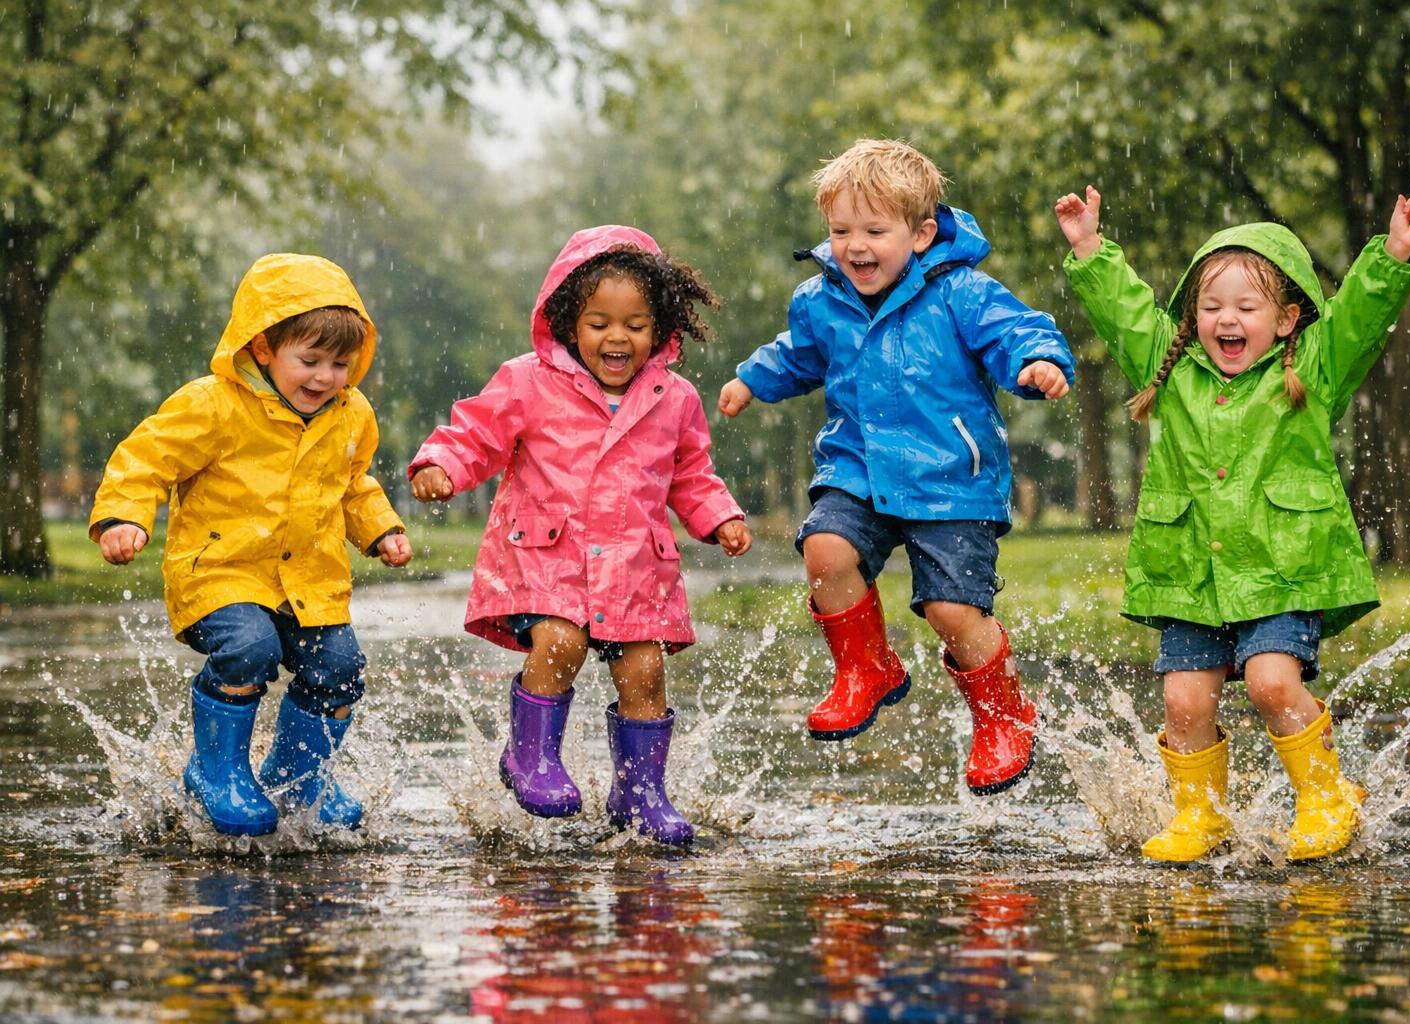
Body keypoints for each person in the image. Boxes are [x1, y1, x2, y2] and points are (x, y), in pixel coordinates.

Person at [1054, 185, 1410, 862]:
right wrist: (1088, 248)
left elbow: (1359, 318)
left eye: (1245, 307)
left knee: (1271, 683)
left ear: (1286, 319)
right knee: (1183, 703)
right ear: (1193, 317)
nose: (1227, 319)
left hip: (1284, 565)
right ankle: (1200, 815)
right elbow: (1125, 311)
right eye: (1211, 306)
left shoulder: (1315, 368)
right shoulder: (1171, 369)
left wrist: (1393, 253)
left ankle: (1325, 796)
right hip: (1190, 569)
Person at [718, 139, 1075, 796]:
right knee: (824, 549)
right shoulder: (822, 298)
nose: (855, 245)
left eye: (874, 230)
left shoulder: (961, 293)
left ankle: (1003, 716)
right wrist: (750, 380)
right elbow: (797, 354)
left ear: (921, 232)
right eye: (840, 229)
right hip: (858, 468)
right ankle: (866, 669)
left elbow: (1014, 330)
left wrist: (1037, 363)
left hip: (951, 481)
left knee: (949, 609)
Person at [410, 226, 750, 847]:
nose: (617, 338)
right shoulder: (526, 381)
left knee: (645, 672)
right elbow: (476, 435)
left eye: (635, 324)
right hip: (547, 557)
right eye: (598, 322)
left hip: (635, 568)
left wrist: (718, 517)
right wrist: (443, 465)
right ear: (568, 321)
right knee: (561, 642)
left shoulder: (675, 399)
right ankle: (530, 758)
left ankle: (640, 794)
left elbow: (691, 474)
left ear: (661, 327)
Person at [90, 253, 412, 836]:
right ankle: (216, 771)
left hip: (308, 580)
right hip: (221, 571)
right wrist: (123, 516)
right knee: (249, 648)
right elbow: (144, 460)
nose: (324, 378)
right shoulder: (212, 404)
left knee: (339, 668)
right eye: (309, 360)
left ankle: (298, 774)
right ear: (262, 347)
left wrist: (381, 528)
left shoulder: (351, 414)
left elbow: (353, 482)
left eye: (340, 364)